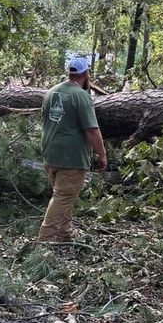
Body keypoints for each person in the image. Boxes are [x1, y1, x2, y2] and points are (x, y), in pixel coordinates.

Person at [36, 55, 106, 244]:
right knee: (63, 197)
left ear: (69, 72)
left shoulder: (50, 92)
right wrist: (102, 154)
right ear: (86, 73)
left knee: (64, 196)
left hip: (50, 153)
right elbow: (92, 130)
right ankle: (45, 240)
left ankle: (63, 234)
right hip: (71, 157)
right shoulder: (82, 96)